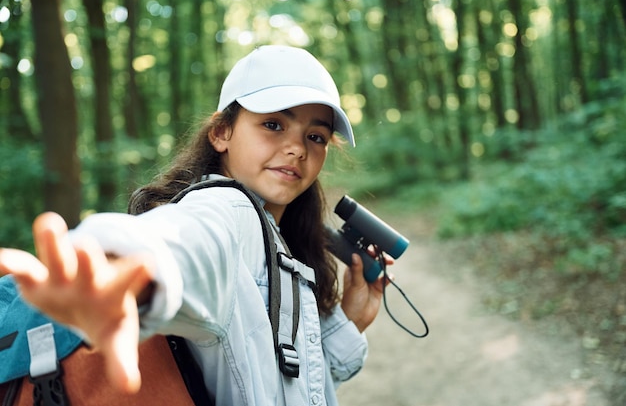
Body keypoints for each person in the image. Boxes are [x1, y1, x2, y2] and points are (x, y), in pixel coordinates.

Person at [0, 45, 388, 405]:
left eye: (315, 136)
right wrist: (119, 268)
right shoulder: (226, 209)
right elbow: (182, 240)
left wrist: (347, 324)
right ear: (221, 133)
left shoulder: (277, 239)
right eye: (273, 125)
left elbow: (278, 384)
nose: (297, 147)